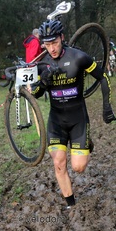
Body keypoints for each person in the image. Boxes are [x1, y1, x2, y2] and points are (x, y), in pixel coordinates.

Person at [29, 20, 116, 209]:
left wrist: (106, 107)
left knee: (78, 167)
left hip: (78, 119)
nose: (51, 48)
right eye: (47, 44)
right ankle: (71, 205)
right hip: (56, 120)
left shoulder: (79, 57)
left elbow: (103, 78)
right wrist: (43, 83)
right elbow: (34, 94)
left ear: (62, 38)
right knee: (59, 163)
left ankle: (86, 142)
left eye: (55, 42)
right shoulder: (42, 64)